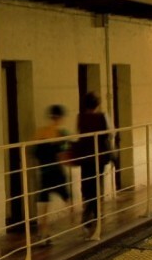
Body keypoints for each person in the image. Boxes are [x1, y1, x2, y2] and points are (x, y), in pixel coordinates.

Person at [74, 92, 113, 234]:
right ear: (97, 104)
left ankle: (89, 211)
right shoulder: (102, 116)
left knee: (87, 183)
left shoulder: (81, 117)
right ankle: (93, 212)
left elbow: (80, 134)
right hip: (99, 156)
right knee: (97, 183)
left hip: (85, 157)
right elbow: (111, 132)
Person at [31, 105, 71, 242]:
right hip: (57, 171)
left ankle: (43, 232)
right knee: (67, 198)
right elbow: (63, 155)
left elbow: (33, 152)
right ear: (60, 117)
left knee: (43, 203)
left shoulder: (40, 132)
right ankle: (81, 225)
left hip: (44, 171)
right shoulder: (62, 134)